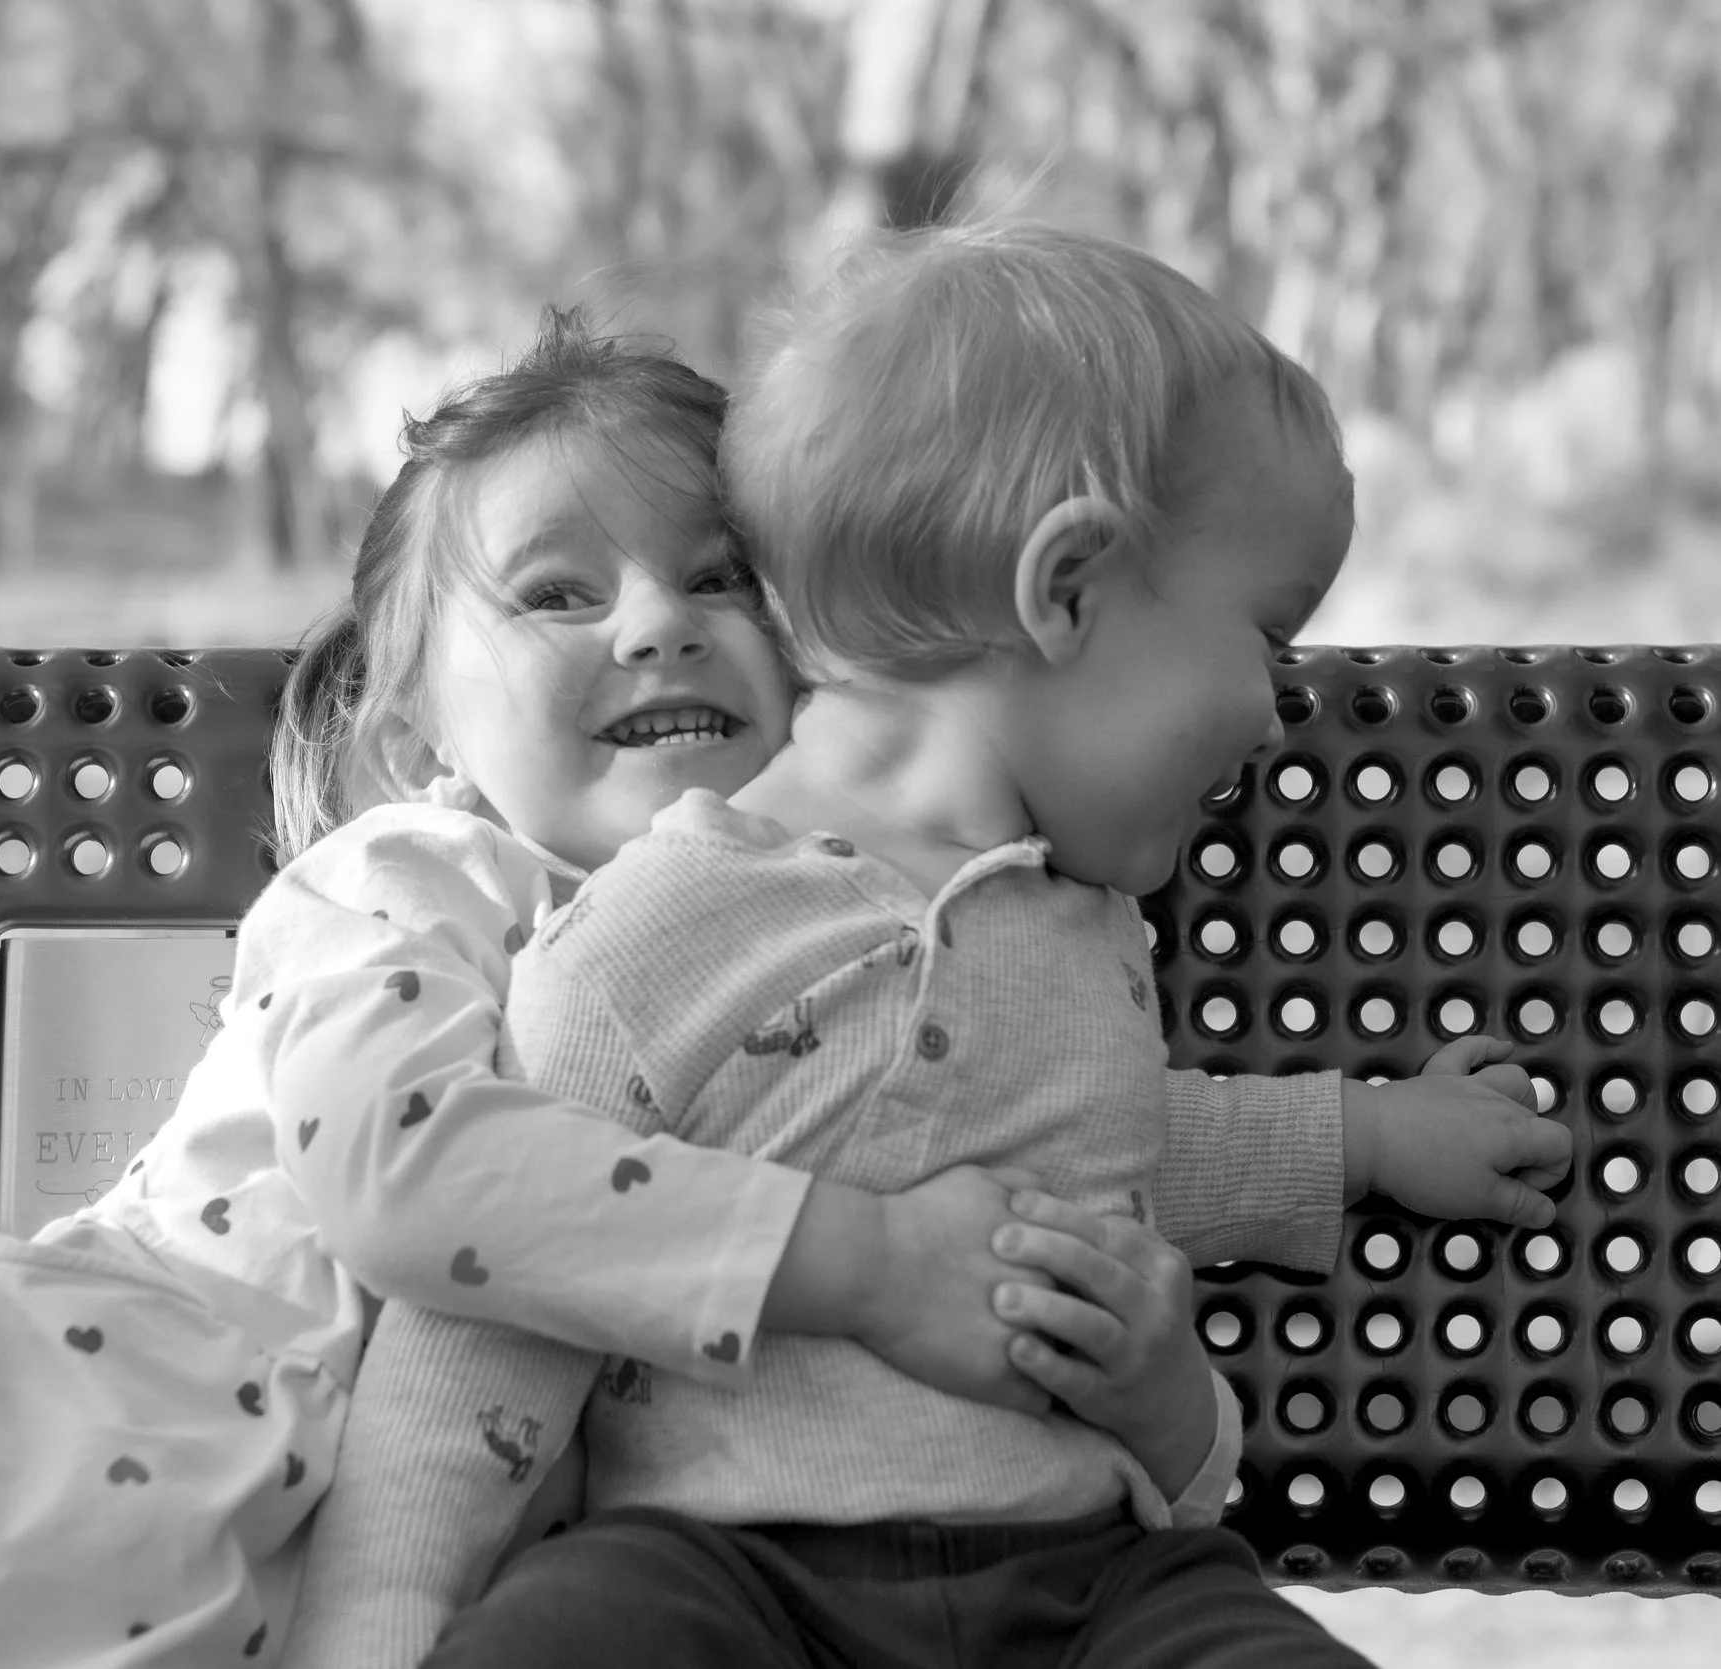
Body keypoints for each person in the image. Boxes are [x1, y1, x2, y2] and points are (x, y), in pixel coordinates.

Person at [0, 313, 1139, 1669]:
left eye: (720, 578)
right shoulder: (421, 877)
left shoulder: (816, 948)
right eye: (557, 591)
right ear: (414, 733)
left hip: (289, 1577)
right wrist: (864, 1261)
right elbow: (403, 1164)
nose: (655, 624)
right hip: (48, 1429)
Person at [283, 224, 1574, 1669]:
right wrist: (375, 1632)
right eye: (1268, 642)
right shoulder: (648, 932)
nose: (1277, 717)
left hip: (1090, 1586)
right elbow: (493, 1317)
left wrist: (1368, 1138)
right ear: (1065, 589)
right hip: (734, 1582)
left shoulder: (1080, 925)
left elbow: (1129, 1149)